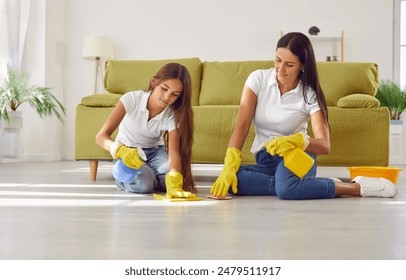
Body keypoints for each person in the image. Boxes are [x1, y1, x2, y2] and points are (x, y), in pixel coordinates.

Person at [211, 32, 398, 199]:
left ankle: (355, 188)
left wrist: (297, 141)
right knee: (231, 180)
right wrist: (230, 162)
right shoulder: (257, 79)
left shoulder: (309, 94)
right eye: (277, 60)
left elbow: (325, 145)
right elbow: (242, 125)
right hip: (266, 158)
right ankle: (309, 185)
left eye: (289, 64)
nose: (280, 69)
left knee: (286, 190)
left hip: (298, 156)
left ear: (302, 65)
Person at [96, 62, 196, 198]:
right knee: (144, 184)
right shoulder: (131, 99)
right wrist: (120, 150)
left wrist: (174, 183)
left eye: (175, 94)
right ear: (154, 82)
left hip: (155, 153)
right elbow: (101, 136)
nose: (167, 97)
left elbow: (174, 154)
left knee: (170, 180)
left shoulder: (172, 114)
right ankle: (123, 179)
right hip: (128, 152)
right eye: (164, 89)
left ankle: (149, 177)